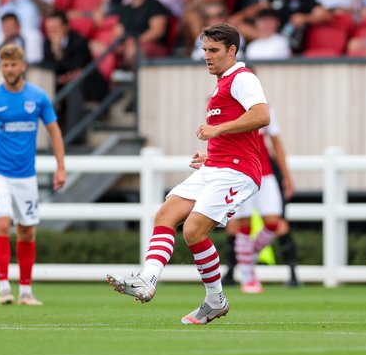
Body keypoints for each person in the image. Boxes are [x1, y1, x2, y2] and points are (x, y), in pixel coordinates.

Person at [107, 23, 270, 325]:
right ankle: (148, 280)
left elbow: (261, 116)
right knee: (166, 214)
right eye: (205, 50)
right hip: (218, 165)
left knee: (194, 230)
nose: (207, 56)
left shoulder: (243, 78)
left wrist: (217, 130)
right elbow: (238, 131)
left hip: (237, 171)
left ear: (232, 50)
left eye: (214, 50)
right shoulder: (222, 82)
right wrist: (212, 152)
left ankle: (215, 300)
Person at [0, 44, 66, 306]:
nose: (8, 69)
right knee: (1, 224)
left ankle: (26, 291)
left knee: (27, 232)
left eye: (12, 64)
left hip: (26, 176)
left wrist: (60, 166)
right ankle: (3, 287)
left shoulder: (38, 97)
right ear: (1, 67)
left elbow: (54, 131)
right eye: (4, 65)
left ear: (23, 66)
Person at [224, 105, 297, 293]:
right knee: (244, 224)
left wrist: (286, 175)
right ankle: (248, 278)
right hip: (241, 173)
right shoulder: (228, 109)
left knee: (273, 222)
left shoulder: (264, 109)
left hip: (265, 173)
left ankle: (248, 258)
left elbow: (276, 143)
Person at [44, 10, 108, 139]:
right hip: (61, 84)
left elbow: (76, 68)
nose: (52, 32)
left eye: (55, 28)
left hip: (88, 85)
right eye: (49, 29)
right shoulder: (46, 44)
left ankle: (75, 138)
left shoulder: (79, 41)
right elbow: (50, 68)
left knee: (73, 87)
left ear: (65, 27)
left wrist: (58, 53)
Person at [110, 0, 169, 70]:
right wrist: (118, 44)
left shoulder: (154, 5)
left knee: (134, 50)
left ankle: (136, 82)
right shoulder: (125, 9)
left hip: (150, 45)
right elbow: (118, 31)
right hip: (129, 45)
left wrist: (135, 42)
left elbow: (157, 31)